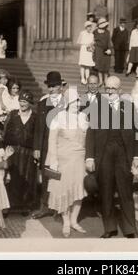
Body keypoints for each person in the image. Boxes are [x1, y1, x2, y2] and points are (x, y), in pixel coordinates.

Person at [85, 76, 138, 238]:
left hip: (124, 155)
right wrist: (89, 157)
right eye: (107, 88)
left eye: (113, 88)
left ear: (120, 90)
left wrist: (137, 155)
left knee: (126, 192)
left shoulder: (129, 107)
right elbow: (90, 134)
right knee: (106, 192)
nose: (110, 91)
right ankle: (109, 228)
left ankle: (131, 229)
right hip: (104, 155)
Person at [45, 88, 89, 237]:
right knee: (64, 191)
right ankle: (66, 222)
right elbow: (52, 141)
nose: (77, 104)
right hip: (64, 160)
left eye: (78, 101)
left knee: (79, 192)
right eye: (74, 101)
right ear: (67, 102)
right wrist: (53, 161)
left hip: (80, 160)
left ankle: (74, 220)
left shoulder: (84, 117)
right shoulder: (59, 117)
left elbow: (88, 139)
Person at [32, 71, 66, 219]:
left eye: (54, 86)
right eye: (49, 86)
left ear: (60, 87)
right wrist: (37, 148)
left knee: (60, 177)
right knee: (46, 177)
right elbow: (39, 128)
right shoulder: (43, 102)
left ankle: (59, 209)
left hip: (63, 146)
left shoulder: (68, 102)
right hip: (46, 146)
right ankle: (45, 206)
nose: (51, 89)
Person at [3, 90, 38, 214]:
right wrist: (4, 149)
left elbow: (37, 135)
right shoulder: (13, 115)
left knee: (27, 177)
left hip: (28, 153)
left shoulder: (35, 117)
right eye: (21, 101)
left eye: (25, 101)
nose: (22, 104)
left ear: (30, 103)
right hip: (12, 151)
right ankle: (8, 206)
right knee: (10, 177)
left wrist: (36, 150)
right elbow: (5, 132)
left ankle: (24, 205)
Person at [93, 18, 112, 86]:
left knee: (106, 66)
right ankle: (101, 81)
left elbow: (109, 42)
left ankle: (106, 81)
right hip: (98, 50)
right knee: (99, 66)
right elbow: (93, 41)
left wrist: (109, 49)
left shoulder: (107, 32)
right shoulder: (95, 32)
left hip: (106, 50)